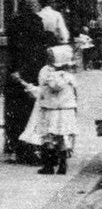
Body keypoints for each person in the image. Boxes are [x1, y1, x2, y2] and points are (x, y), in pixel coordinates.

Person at [6, 0, 55, 163]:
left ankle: (23, 148)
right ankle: (23, 150)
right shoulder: (22, 22)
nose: (32, 2)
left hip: (28, 71)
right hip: (23, 71)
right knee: (23, 112)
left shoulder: (36, 21)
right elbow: (20, 49)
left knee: (25, 112)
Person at [17, 46, 79, 175]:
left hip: (50, 110)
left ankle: (48, 166)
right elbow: (74, 94)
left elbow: (41, 92)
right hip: (66, 110)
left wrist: (26, 85)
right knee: (62, 137)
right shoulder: (70, 77)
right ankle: (62, 164)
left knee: (48, 137)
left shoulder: (48, 75)